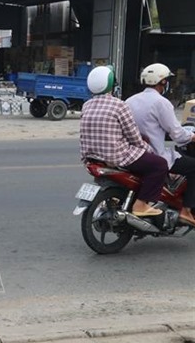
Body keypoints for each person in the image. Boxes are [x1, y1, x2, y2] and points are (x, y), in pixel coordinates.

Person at [80, 65, 168, 217]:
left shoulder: (86, 105)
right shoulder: (119, 105)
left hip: (92, 158)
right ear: (111, 85)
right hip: (117, 156)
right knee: (159, 164)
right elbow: (133, 136)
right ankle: (141, 205)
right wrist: (149, 149)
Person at [126, 63, 195, 226]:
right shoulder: (161, 103)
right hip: (155, 154)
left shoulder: (130, 100)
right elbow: (177, 134)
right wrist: (192, 137)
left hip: (134, 153)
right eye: (167, 80)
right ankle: (186, 210)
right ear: (162, 82)